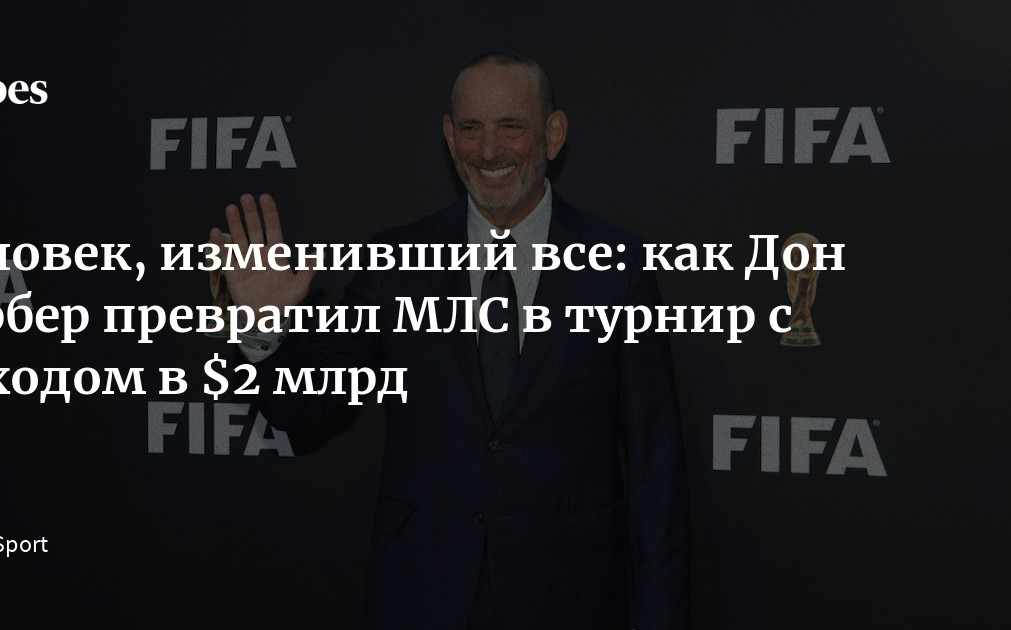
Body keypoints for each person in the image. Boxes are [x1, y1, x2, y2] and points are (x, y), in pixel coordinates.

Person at [210, 52, 688, 630]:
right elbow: (298, 405)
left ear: (553, 133)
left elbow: (656, 470)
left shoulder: (618, 267)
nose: (488, 149)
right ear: (447, 134)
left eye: (511, 126)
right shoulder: (393, 261)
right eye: (470, 128)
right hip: (421, 591)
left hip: (570, 596)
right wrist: (261, 328)